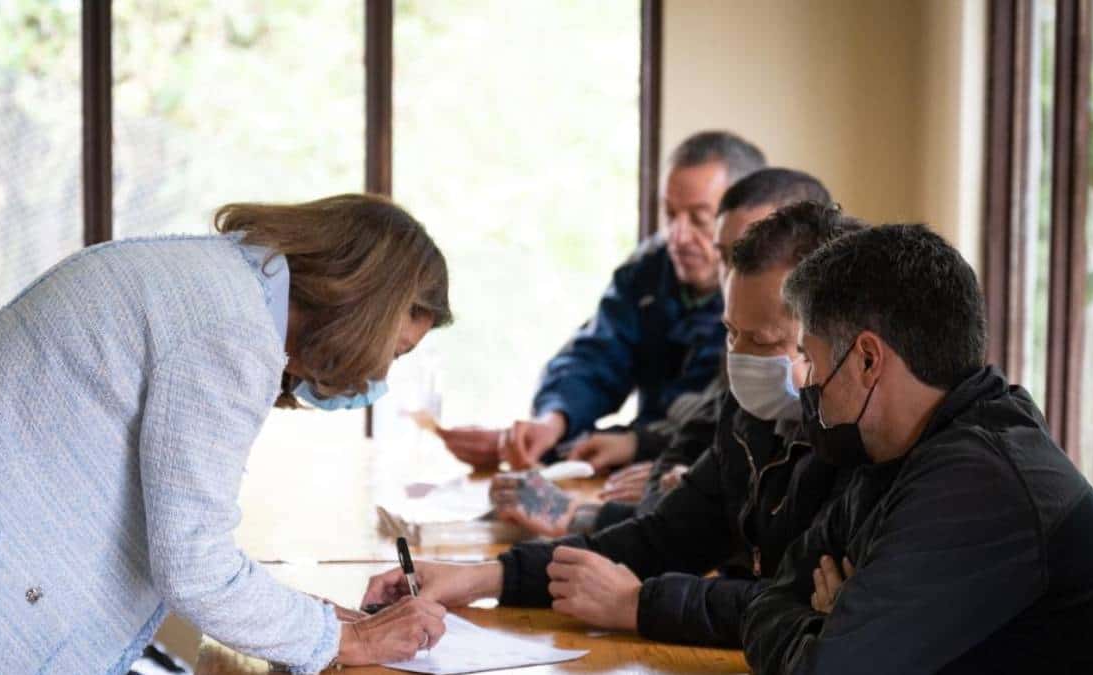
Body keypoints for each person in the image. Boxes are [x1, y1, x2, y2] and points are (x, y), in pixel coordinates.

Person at [0, 195, 453, 673]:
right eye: (394, 351)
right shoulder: (231, 329)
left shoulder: (214, 282)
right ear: (366, 310)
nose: (379, 375)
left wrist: (314, 621)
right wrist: (345, 639)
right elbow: (194, 565)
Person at [363, 201, 866, 649]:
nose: (741, 359)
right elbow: (662, 539)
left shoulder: (864, 445)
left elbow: (792, 606)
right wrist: (483, 578)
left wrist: (638, 604)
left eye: (765, 342)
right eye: (732, 335)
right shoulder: (749, 417)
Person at [741, 225, 1093, 674]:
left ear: (868, 359)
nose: (804, 383)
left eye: (810, 359)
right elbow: (770, 598)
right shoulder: (890, 455)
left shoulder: (982, 480)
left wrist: (827, 628)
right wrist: (824, 625)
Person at [493, 168, 835, 537]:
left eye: (752, 256)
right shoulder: (668, 281)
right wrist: (557, 420)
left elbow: (774, 579)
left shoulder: (848, 422)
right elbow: (689, 457)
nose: (680, 236)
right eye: (729, 257)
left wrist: (650, 463)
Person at [438, 131, 766, 471]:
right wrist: (554, 421)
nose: (678, 236)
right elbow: (597, 354)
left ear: (744, 219)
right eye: (670, 214)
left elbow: (721, 420)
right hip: (640, 461)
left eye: (699, 219)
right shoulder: (648, 268)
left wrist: (637, 443)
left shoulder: (766, 296)